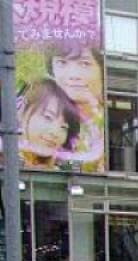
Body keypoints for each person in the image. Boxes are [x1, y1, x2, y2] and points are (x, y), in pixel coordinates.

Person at [45, 44, 104, 172]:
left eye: (84, 64)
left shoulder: (103, 123)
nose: (73, 75)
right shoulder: (41, 116)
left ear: (102, 69)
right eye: (62, 62)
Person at [17, 78, 82, 168]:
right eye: (48, 117)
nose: (55, 133)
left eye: (64, 127)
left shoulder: (61, 172)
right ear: (23, 112)